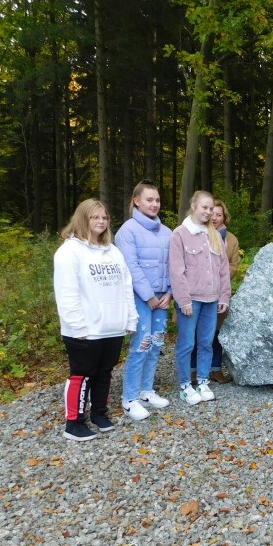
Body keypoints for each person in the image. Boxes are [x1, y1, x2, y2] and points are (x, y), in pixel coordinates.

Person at [53, 199, 137, 442]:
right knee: (82, 374)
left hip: (111, 327)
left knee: (105, 372)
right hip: (85, 329)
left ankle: (99, 413)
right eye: (95, 217)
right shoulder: (69, 252)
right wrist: (77, 326)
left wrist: (130, 318)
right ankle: (74, 422)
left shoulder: (113, 251)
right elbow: (67, 292)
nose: (101, 221)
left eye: (105, 217)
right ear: (83, 219)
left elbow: (125, 286)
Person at [115, 180, 172, 421]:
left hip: (163, 298)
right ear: (137, 201)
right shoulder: (127, 231)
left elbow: (173, 265)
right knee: (142, 343)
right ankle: (129, 398)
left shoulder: (168, 232)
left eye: (157, 200)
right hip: (141, 298)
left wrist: (169, 292)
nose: (154, 204)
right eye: (149, 200)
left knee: (157, 343)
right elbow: (131, 267)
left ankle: (146, 391)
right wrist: (148, 296)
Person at [170, 190, 231, 405]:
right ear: (194, 205)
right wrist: (183, 300)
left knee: (206, 342)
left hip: (212, 299)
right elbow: (177, 271)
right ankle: (185, 385)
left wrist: (224, 295)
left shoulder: (214, 234)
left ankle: (203, 381)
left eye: (211, 208)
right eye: (204, 207)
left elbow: (223, 269)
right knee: (187, 343)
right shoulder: (180, 234)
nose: (208, 212)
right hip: (191, 300)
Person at [208, 199, 241, 383]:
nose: (215, 218)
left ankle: (215, 369)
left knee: (216, 333)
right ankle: (193, 370)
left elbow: (234, 265)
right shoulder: (198, 233)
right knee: (197, 333)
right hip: (199, 291)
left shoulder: (231, 239)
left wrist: (218, 277)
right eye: (212, 213)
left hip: (220, 291)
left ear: (224, 217)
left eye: (219, 215)